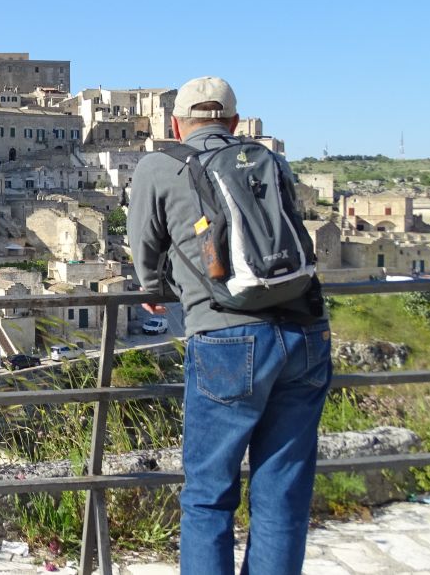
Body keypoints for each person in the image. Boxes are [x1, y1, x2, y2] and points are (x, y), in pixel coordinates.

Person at [126, 76, 330, 575]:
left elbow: (144, 255)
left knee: (209, 497)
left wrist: (154, 290)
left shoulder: (159, 165)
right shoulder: (269, 160)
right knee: (282, 494)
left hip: (225, 337)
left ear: (175, 123)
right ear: (235, 123)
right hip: (305, 330)